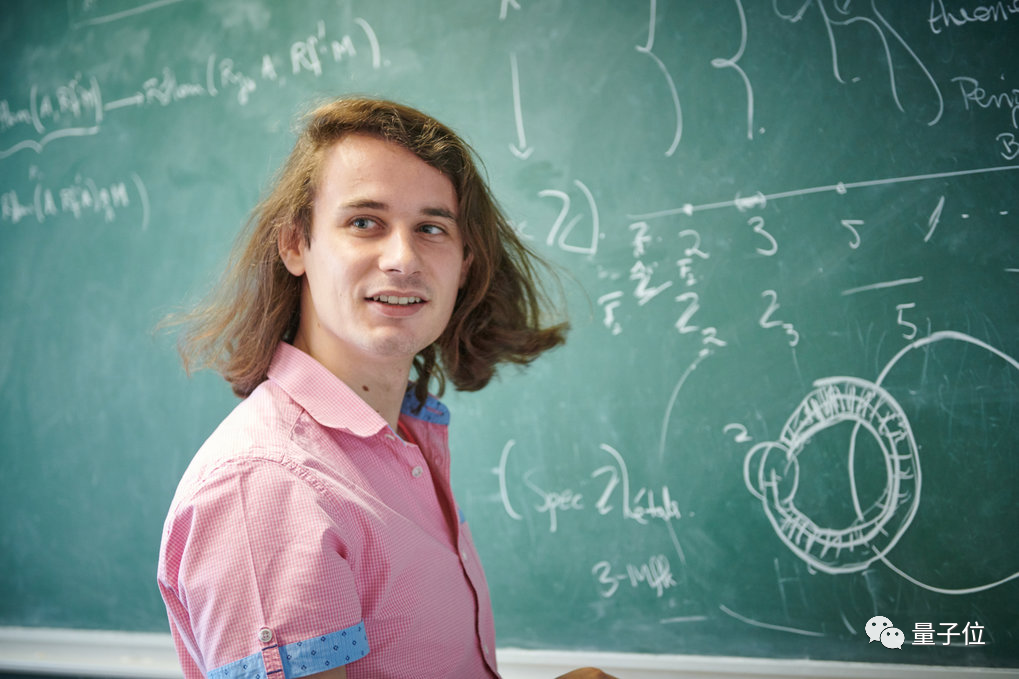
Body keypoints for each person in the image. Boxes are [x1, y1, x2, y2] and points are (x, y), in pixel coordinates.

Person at [157, 97, 615, 679]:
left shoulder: (401, 441)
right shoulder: (269, 484)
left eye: (432, 228)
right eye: (364, 222)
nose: (403, 258)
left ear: (465, 264)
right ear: (295, 244)